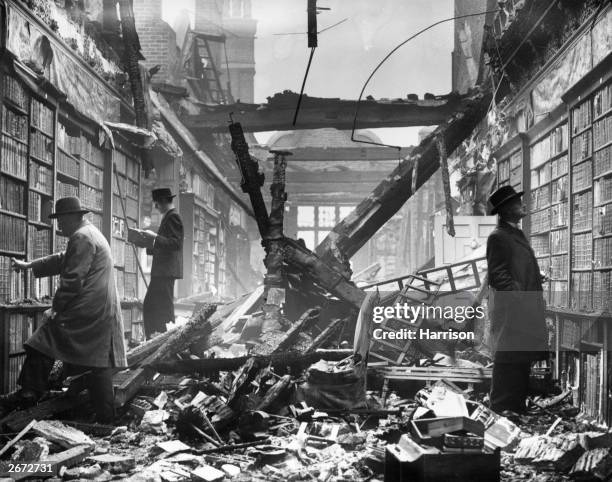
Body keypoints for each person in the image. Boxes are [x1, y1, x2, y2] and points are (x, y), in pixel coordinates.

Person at [0, 197, 127, 422]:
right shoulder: (90, 233)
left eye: (60, 220)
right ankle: (107, 418)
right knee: (99, 364)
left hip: (89, 309)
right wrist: (31, 265)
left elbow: (72, 280)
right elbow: (64, 259)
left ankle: (29, 392)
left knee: (43, 338)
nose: (58, 226)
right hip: (101, 310)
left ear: (72, 217)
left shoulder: (81, 237)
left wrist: (56, 309)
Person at [486, 185, 549, 415]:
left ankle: (515, 412)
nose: (522, 204)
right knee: (508, 363)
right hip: (513, 312)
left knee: (520, 361)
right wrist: (519, 295)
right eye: (516, 202)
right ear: (505, 210)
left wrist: (534, 276)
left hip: (523, 309)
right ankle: (501, 412)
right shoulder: (498, 237)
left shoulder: (514, 233)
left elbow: (514, 268)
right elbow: (497, 275)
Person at [139, 188, 184, 339]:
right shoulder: (169, 216)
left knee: (159, 308)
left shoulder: (173, 217)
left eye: (157, 204)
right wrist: (147, 242)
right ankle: (156, 338)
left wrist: (155, 237)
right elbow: (167, 245)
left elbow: (175, 244)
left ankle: (163, 339)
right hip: (163, 271)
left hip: (165, 271)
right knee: (155, 307)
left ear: (164, 201)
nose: (156, 207)